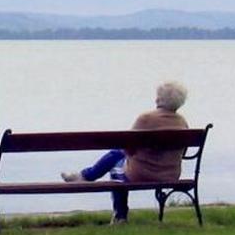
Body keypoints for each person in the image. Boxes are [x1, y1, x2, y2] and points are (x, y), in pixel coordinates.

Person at [61, 81, 189, 224]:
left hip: (143, 174)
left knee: (116, 166)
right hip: (170, 174)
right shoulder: (182, 122)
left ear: (159, 99)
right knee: (117, 154)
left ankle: (119, 215)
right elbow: (182, 152)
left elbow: (128, 147)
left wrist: (133, 155)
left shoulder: (146, 119)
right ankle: (85, 176)